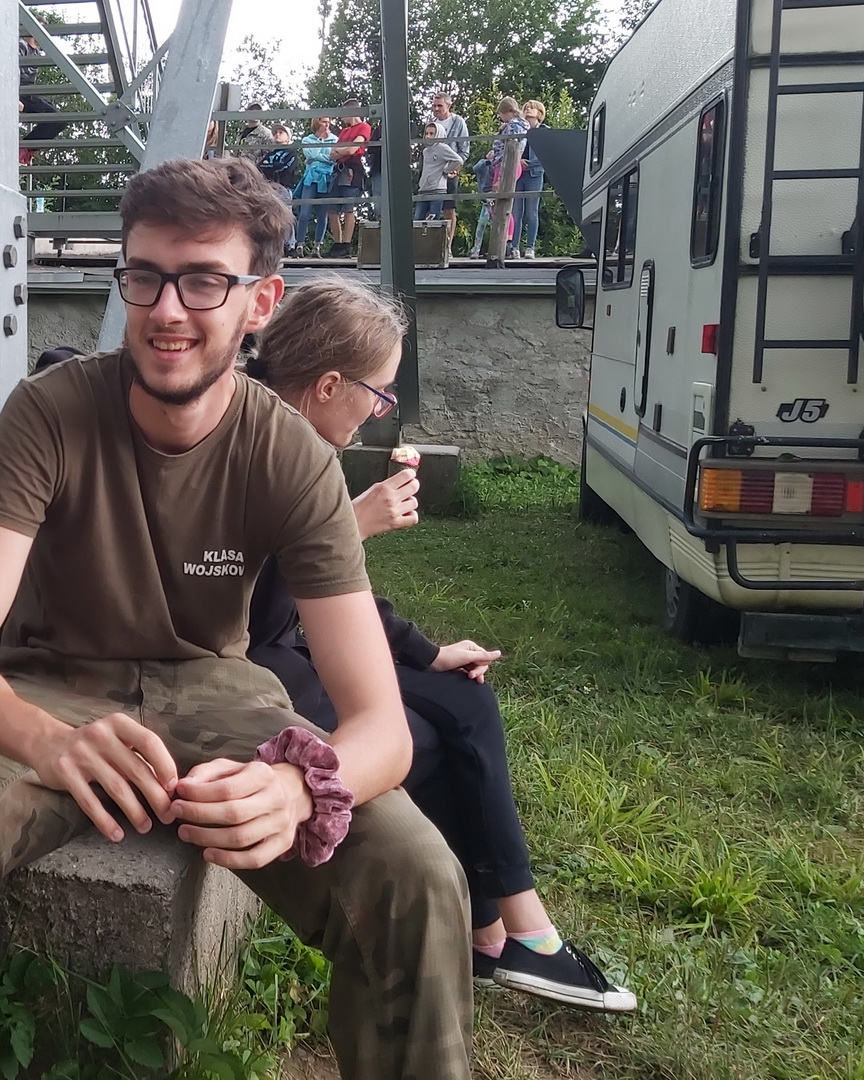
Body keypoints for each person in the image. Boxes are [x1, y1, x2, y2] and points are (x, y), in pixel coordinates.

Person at [0, 156, 472, 1080]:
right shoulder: (51, 413)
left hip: (218, 694)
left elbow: (381, 725)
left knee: (417, 870)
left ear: (260, 302)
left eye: (204, 281)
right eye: (144, 276)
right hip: (48, 681)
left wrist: (301, 788)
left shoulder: (292, 454)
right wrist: (47, 742)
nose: (167, 309)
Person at [242, 280, 638, 1015]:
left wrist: (423, 653)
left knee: (462, 695)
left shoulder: (303, 440)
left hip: (292, 642)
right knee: (421, 737)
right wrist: (346, 526)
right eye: (379, 394)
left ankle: (507, 930)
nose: (381, 411)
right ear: (328, 386)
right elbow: (243, 606)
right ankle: (504, 934)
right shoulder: (252, 438)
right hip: (248, 665)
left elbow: (330, 593)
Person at [473, 97, 530, 259]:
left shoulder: (512, 126)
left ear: (506, 112)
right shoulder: (518, 125)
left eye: (500, 114)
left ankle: (505, 244)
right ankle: (506, 243)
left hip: (506, 166)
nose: (500, 117)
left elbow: (510, 149)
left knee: (500, 205)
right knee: (500, 205)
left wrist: (500, 177)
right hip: (506, 164)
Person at [327, 102, 373, 259]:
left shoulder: (364, 127)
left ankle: (346, 244)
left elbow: (353, 149)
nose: (342, 118)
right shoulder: (345, 131)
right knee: (332, 209)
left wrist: (341, 151)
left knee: (348, 208)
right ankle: (337, 243)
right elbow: (332, 154)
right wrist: (344, 151)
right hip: (339, 171)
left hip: (352, 170)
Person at [18, 34, 72, 165]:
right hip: (20, 91)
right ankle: (24, 148)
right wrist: (14, 97)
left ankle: (28, 148)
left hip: (29, 92)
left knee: (60, 120)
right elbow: (11, 71)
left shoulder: (36, 52)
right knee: (55, 118)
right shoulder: (21, 45)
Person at [292, 114, 338, 253]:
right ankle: (300, 245)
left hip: (326, 179)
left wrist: (317, 158)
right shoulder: (307, 140)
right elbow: (310, 155)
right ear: (317, 123)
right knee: (304, 213)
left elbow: (333, 159)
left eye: (328, 122)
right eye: (324, 122)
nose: (327, 125)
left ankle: (317, 247)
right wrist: (320, 140)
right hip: (310, 179)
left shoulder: (335, 139)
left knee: (322, 215)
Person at [427, 93, 471, 228]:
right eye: (434, 105)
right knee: (429, 207)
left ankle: (448, 241)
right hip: (432, 171)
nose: (436, 108)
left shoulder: (458, 122)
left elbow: (464, 149)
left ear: (448, 105)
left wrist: (456, 168)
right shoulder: (431, 123)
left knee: (448, 208)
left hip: (449, 171)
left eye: (439, 105)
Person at [513, 100, 549, 259]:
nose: (527, 109)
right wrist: (518, 161)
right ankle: (514, 247)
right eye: (526, 108)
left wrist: (529, 163)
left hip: (534, 174)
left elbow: (546, 155)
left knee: (532, 212)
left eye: (531, 108)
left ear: (539, 113)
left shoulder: (544, 131)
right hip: (517, 174)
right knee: (516, 212)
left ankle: (530, 247)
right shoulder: (518, 128)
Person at [418, 120, 465, 221]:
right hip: (423, 189)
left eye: (432, 134)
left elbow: (458, 160)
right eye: (426, 133)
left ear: (438, 134)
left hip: (437, 189)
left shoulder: (442, 148)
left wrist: (446, 170)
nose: (428, 136)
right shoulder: (425, 151)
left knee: (434, 220)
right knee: (417, 220)